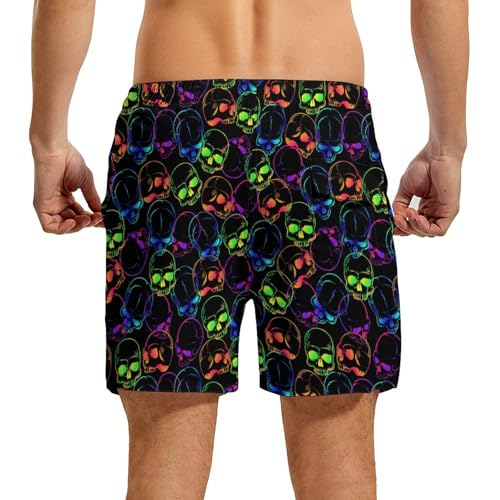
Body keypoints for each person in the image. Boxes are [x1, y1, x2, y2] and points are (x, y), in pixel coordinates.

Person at [29, 0, 468, 499]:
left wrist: (48, 142)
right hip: (323, 131)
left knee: (162, 465)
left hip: (177, 131)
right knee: (339, 469)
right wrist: (446, 148)